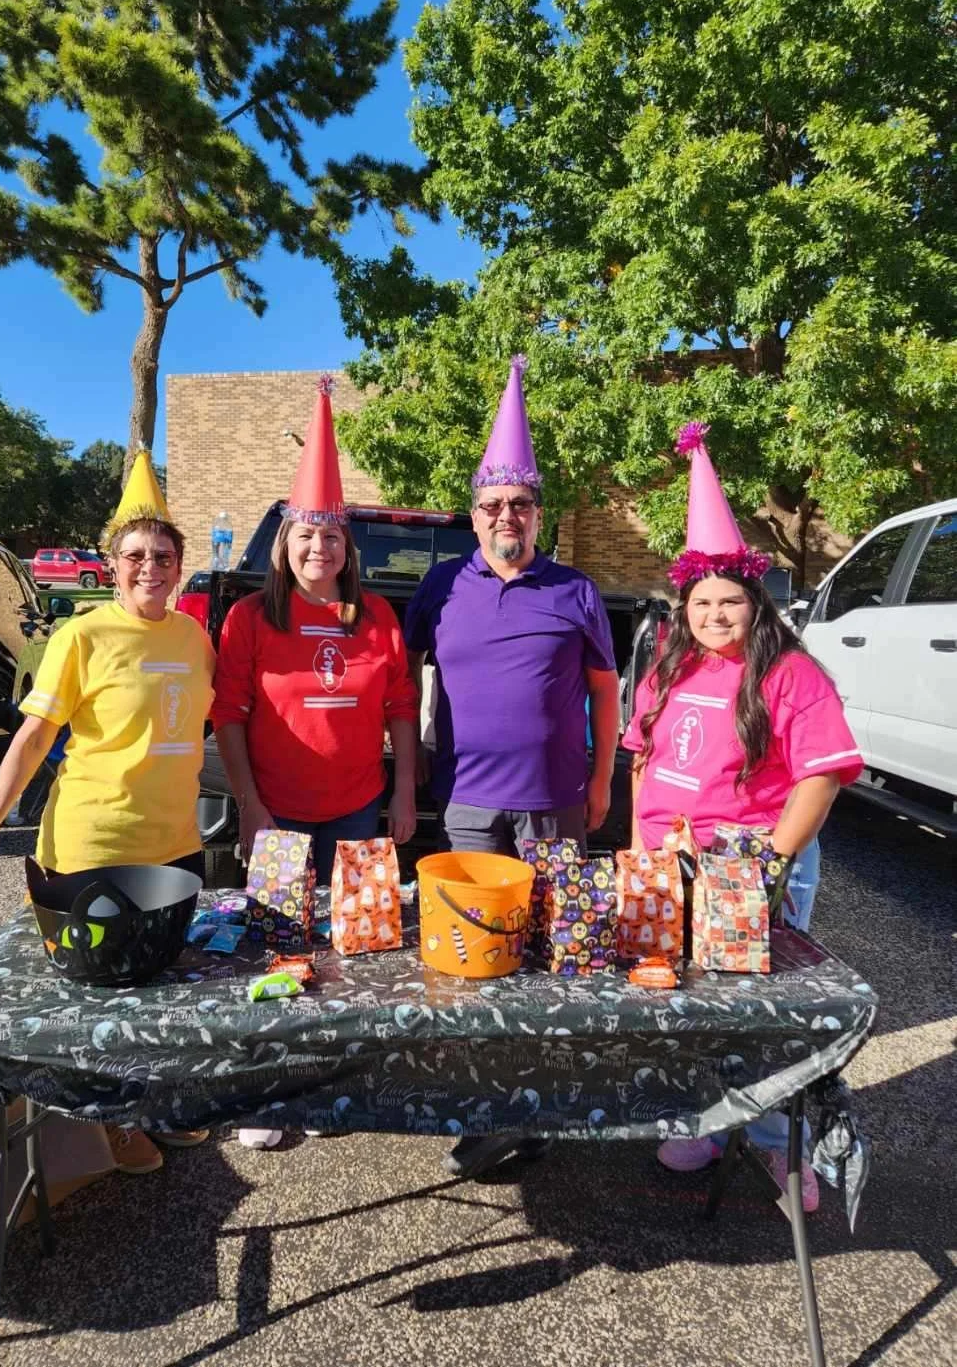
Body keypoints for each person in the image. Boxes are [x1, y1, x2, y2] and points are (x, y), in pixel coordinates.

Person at [0, 454, 215, 1176]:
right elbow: (33, 738)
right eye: (135, 555)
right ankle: (112, 1121)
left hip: (176, 843)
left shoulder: (194, 638)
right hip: (93, 843)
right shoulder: (81, 636)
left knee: (158, 985)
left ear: (180, 564)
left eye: (162, 555)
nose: (149, 566)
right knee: (98, 998)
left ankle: (149, 1104)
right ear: (111, 563)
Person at [622, 422, 863, 1210]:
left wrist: (772, 867)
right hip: (674, 861)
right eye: (703, 601)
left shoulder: (789, 673)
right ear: (683, 606)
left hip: (753, 863)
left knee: (761, 1012)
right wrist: (638, 846)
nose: (716, 614)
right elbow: (641, 761)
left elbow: (820, 777)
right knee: (689, 1000)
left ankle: (772, 1144)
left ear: (753, 602)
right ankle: (699, 1116)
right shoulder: (669, 665)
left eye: (730, 601)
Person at [404, 355, 621, 1177]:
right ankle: (475, 1099)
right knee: (468, 955)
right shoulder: (439, 586)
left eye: (521, 505)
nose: (507, 516)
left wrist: (602, 780)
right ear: (473, 514)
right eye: (493, 504)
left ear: (539, 515)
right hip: (465, 801)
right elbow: (399, 680)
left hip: (555, 799)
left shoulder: (575, 590)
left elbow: (604, 691)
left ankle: (539, 1098)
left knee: (549, 948)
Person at [212, 375, 419, 1150]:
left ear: (345, 546)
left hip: (358, 805)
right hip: (277, 808)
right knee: (276, 940)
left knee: (350, 938)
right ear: (285, 542)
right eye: (305, 535)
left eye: (330, 536)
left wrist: (403, 792)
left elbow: (401, 706)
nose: (317, 548)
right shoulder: (248, 616)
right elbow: (227, 715)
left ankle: (336, 1079)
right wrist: (250, 804)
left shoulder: (375, 617)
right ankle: (270, 1088)